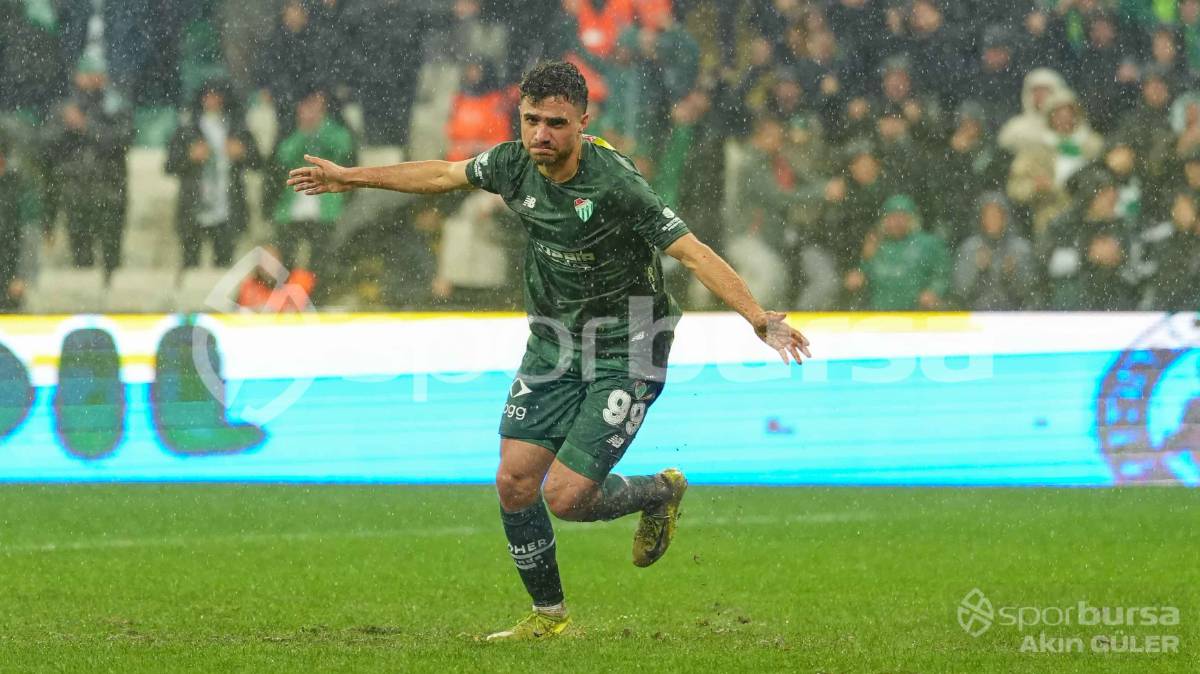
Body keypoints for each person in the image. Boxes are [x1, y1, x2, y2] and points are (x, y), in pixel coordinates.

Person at [287, 60, 810, 640]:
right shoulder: (513, 163)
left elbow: (691, 252)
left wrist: (759, 317)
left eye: (556, 123)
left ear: (583, 123)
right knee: (513, 482)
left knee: (565, 498)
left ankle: (660, 491)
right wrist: (350, 177)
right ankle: (549, 619)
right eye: (531, 119)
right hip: (555, 338)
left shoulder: (616, 185)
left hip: (631, 341)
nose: (541, 134)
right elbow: (440, 175)